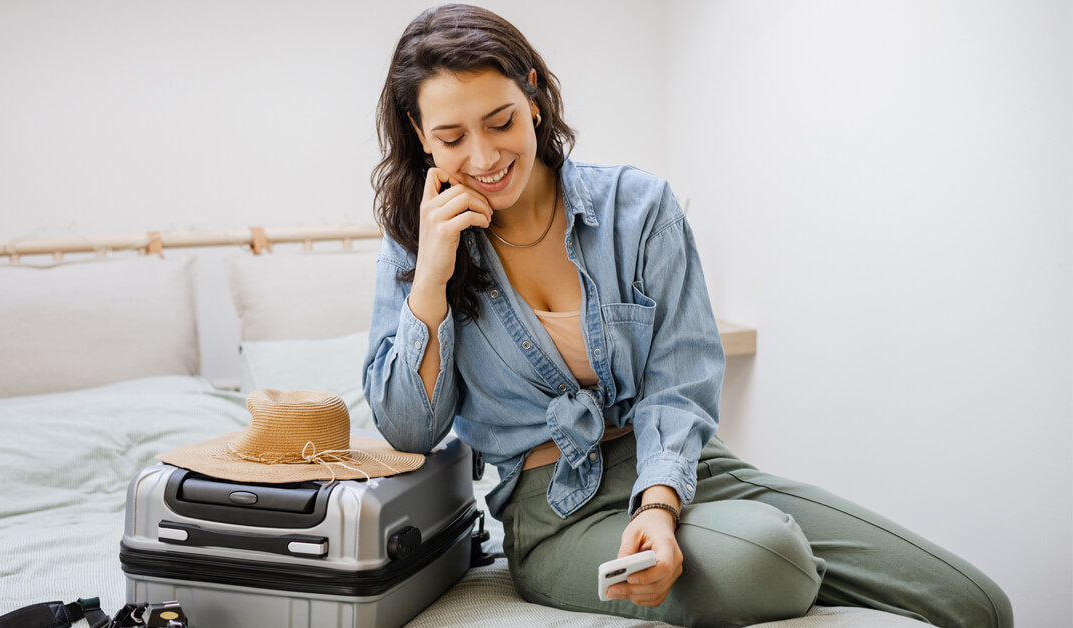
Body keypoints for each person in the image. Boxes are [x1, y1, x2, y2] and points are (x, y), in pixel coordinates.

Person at [361, 4, 1012, 627]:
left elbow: (680, 377)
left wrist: (660, 502)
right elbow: (409, 431)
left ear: (532, 95)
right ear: (421, 136)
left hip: (687, 469)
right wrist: (432, 279)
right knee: (771, 561)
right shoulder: (418, 245)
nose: (482, 158)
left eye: (501, 122)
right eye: (451, 137)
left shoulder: (637, 209)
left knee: (977, 604)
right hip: (558, 514)